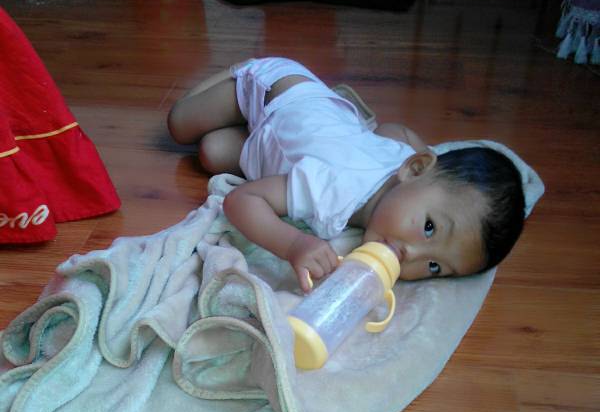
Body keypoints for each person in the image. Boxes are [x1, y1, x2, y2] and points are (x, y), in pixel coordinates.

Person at [167, 57, 524, 292]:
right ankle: (241, 68)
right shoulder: (333, 188)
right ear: (415, 168)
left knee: (211, 152)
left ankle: (256, 132)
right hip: (275, 89)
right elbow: (241, 199)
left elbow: (394, 132)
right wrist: (294, 244)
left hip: (275, 137)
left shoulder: (405, 164)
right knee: (179, 125)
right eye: (429, 227)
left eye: (435, 267)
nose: (411, 255)